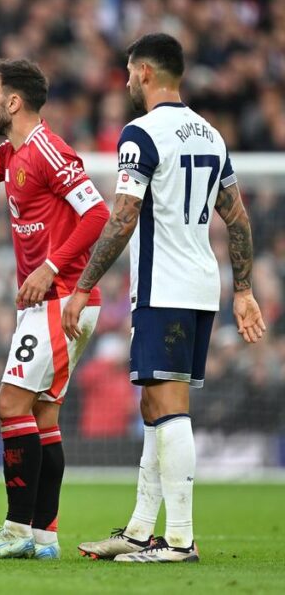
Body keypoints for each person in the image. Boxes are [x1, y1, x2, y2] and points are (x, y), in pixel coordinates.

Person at [66, 33, 266, 563]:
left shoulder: (142, 133)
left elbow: (124, 216)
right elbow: (238, 218)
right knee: (156, 402)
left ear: (146, 73)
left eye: (130, 72)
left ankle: (179, 540)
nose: (128, 81)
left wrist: (84, 285)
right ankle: (138, 531)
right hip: (202, 285)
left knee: (169, 406)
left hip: (165, 287)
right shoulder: (211, 135)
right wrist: (243, 288)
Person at [0, 59, 110, 560]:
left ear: (14, 102)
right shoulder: (10, 154)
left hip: (61, 299)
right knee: (42, 416)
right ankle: (44, 537)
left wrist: (52, 266)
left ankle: (16, 528)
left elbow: (99, 213)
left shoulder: (48, 150)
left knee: (9, 405)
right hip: (47, 303)